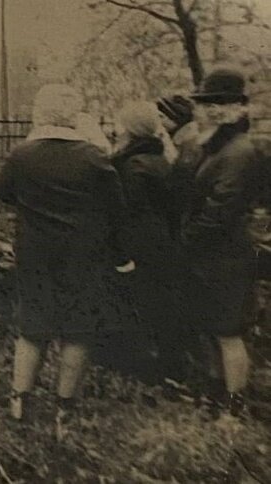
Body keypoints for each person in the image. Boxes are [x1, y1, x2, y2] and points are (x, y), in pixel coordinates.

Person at [0, 84, 125, 434]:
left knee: (33, 328)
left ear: (40, 113)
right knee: (78, 331)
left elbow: (2, 192)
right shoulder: (94, 157)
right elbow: (116, 205)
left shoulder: (21, 155)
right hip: (84, 255)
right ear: (75, 115)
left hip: (35, 253)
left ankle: (19, 400)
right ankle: (65, 408)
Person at [173, 67, 266, 416]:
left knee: (228, 333)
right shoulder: (214, 146)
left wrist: (184, 241)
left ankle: (234, 406)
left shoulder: (240, 152)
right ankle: (215, 395)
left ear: (238, 107)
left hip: (226, 256)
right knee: (210, 329)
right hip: (206, 255)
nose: (211, 109)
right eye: (206, 102)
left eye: (220, 103)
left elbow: (220, 210)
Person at [110, 101, 193, 387]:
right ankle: (169, 366)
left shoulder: (132, 165)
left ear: (130, 130)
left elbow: (131, 213)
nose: (114, 129)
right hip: (162, 243)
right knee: (163, 306)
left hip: (143, 247)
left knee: (147, 306)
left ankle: (156, 370)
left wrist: (125, 253)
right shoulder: (157, 159)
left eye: (119, 124)